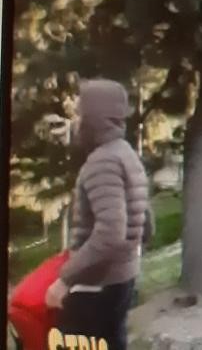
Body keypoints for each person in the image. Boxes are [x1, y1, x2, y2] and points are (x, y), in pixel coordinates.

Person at [45, 79, 150, 350]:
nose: (78, 120)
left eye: (82, 114)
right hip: (122, 280)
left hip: (95, 287)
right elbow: (147, 224)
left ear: (94, 119)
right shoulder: (127, 154)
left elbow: (110, 231)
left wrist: (64, 279)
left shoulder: (102, 161)